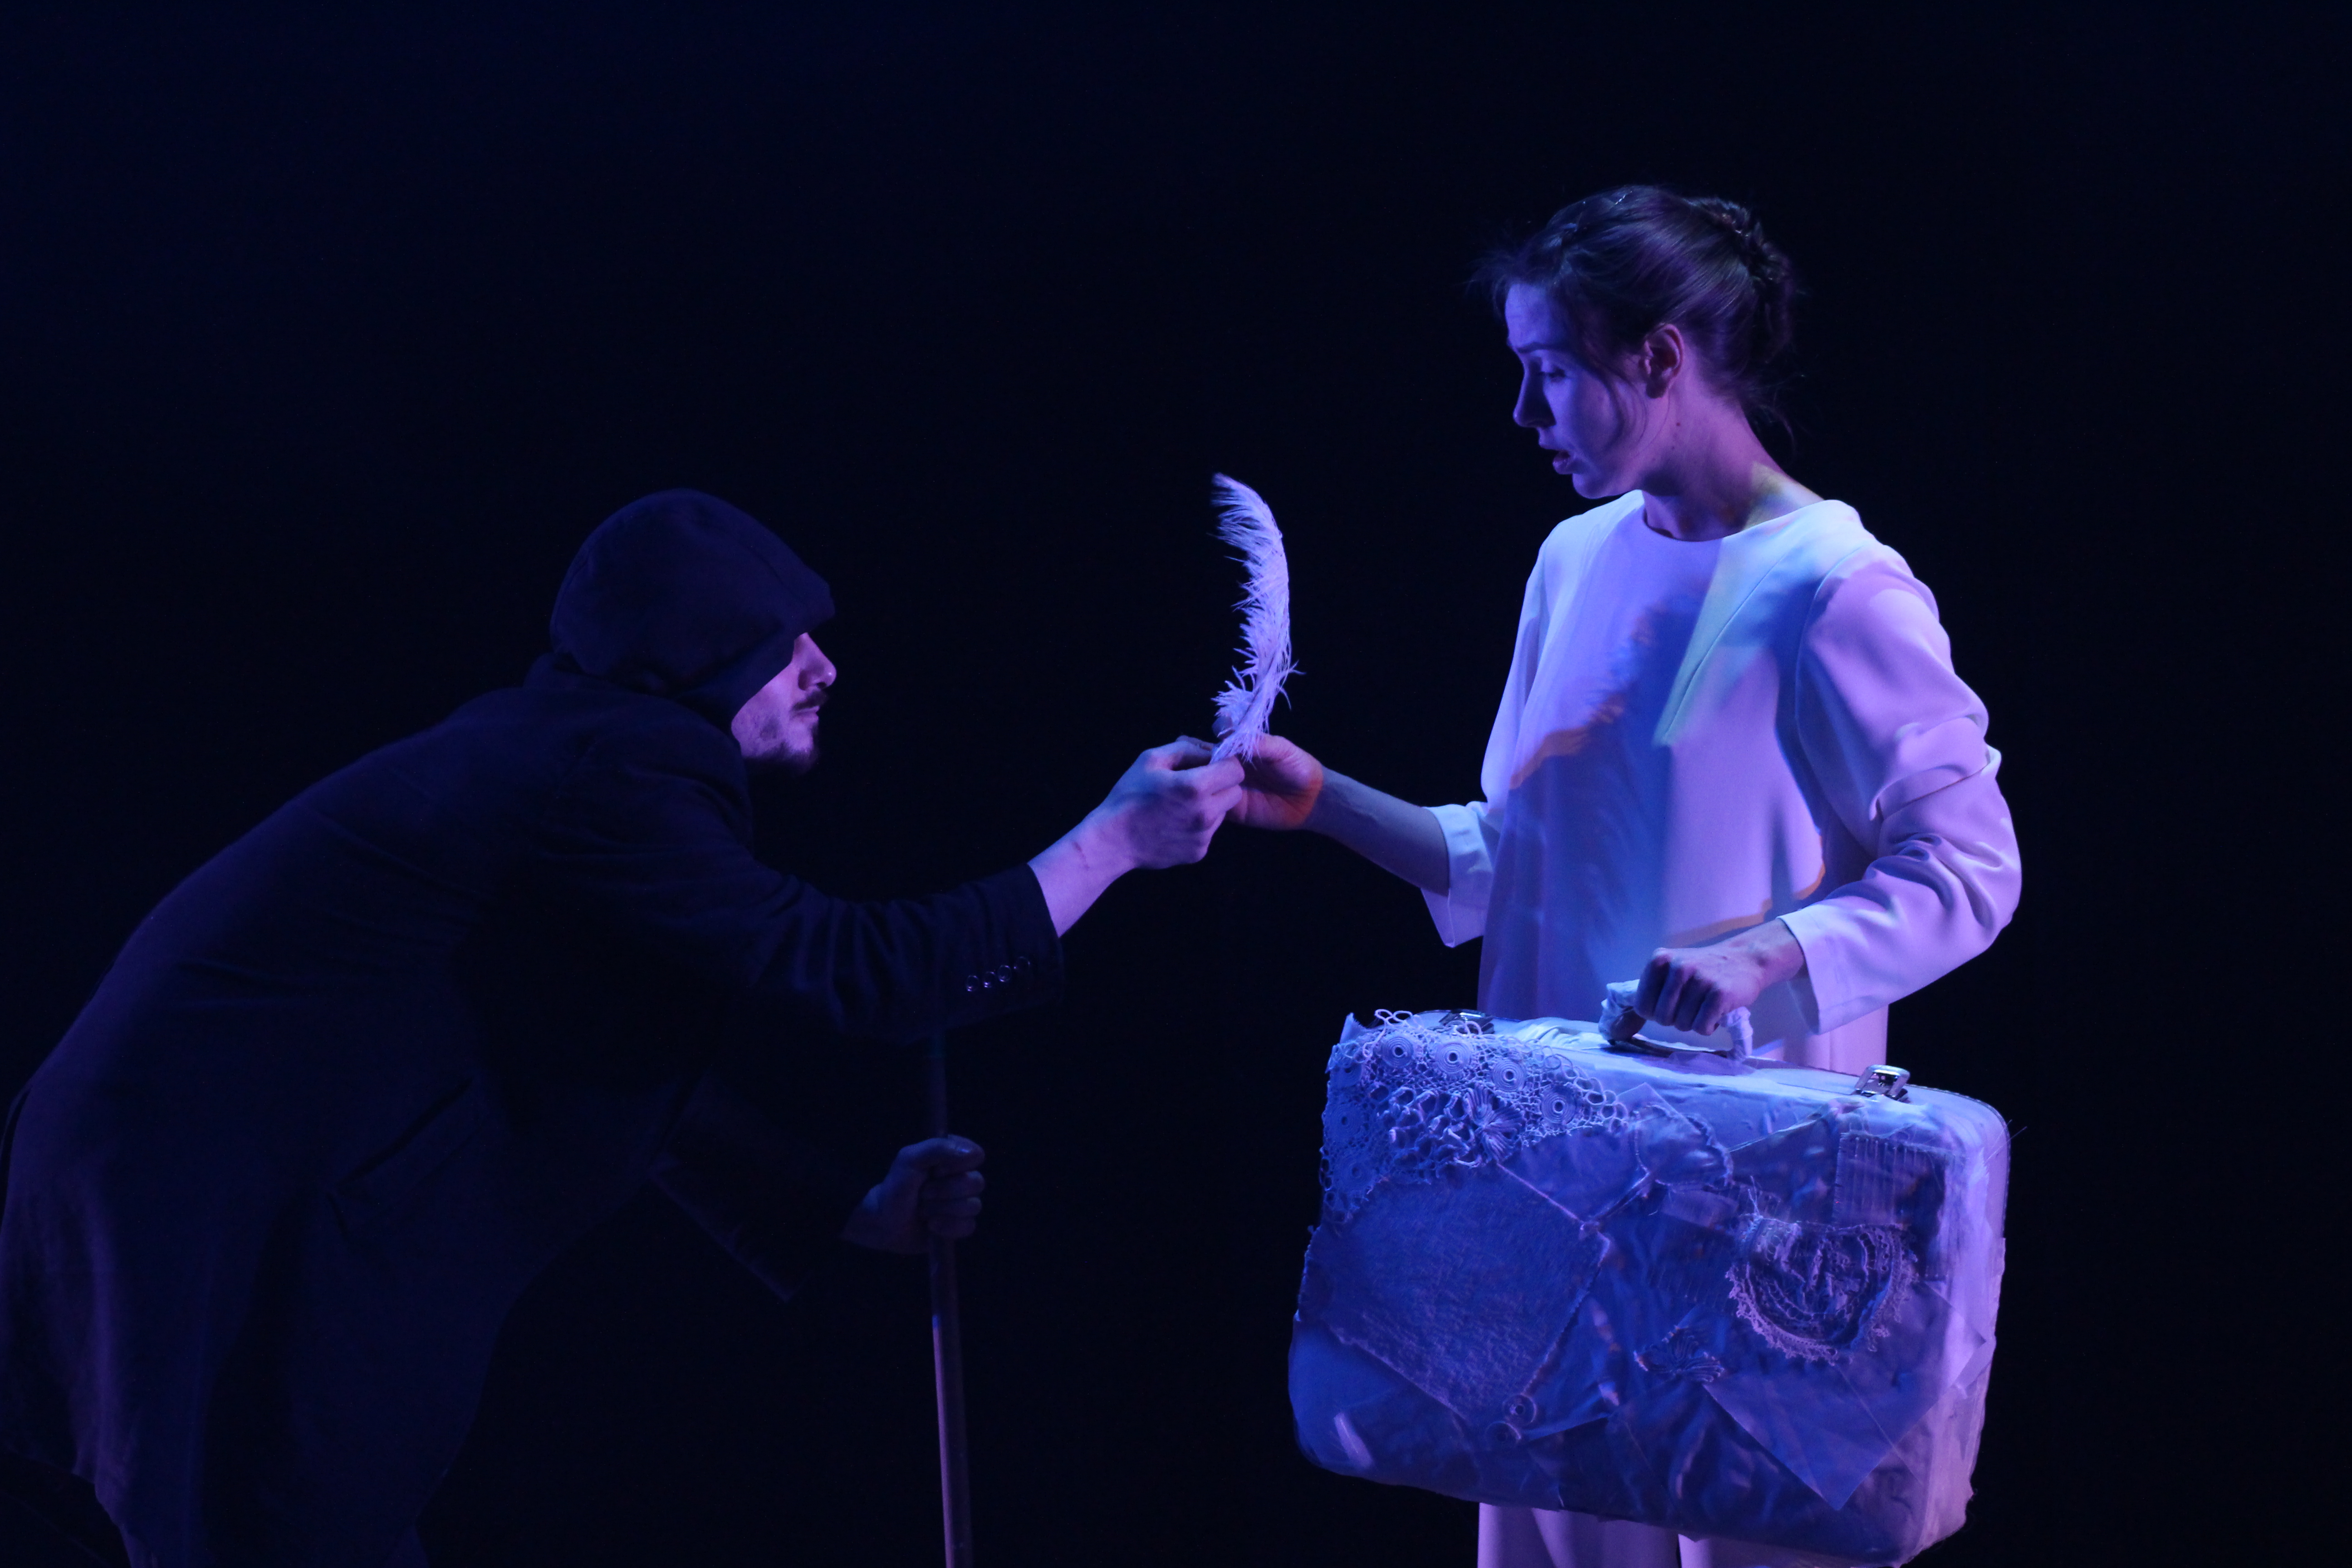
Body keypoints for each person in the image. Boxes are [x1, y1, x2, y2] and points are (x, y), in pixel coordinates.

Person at [0, 489, 1241, 1568]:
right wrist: (1112, 846)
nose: (822, 667)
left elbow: (603, 1056)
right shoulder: (606, 769)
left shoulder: (569, 753)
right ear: (694, 656)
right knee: (271, 1517)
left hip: (175, 1189)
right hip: (205, 1210)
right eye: (781, 643)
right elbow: (858, 972)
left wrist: (843, 1210)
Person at [1230, 188, 2022, 1568]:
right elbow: (1520, 854)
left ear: (1658, 359)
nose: (1523, 414)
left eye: (1549, 372)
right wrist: (1325, 804)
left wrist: (1769, 954)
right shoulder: (1573, 559)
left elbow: (1970, 868)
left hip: (1738, 1220)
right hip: (1548, 1204)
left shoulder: (1835, 585)